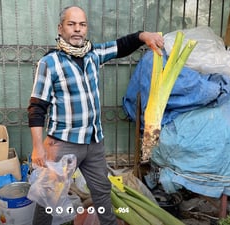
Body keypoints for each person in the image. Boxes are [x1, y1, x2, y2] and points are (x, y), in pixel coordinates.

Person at [27, 5, 164, 225]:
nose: (77, 30)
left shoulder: (92, 55)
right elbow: (37, 106)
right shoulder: (49, 63)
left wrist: (143, 36)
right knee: (48, 198)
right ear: (60, 28)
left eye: (82, 25)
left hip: (93, 142)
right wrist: (37, 146)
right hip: (62, 143)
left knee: (102, 191)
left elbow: (121, 46)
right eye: (71, 24)